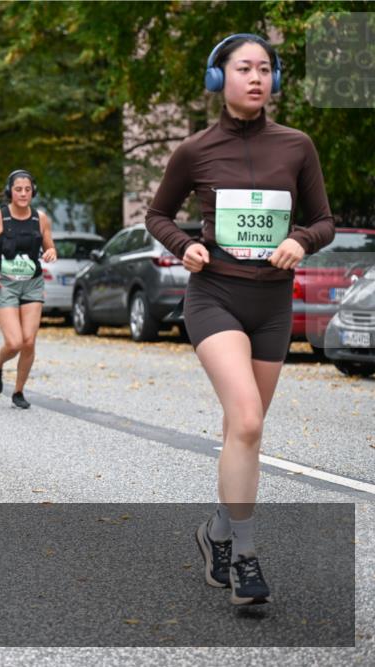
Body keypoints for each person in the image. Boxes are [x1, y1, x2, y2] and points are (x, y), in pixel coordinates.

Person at [146, 34, 334, 605]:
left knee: (241, 432)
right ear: (218, 78)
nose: (256, 77)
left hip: (272, 307)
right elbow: (157, 214)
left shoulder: (297, 146)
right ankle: (245, 559)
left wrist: (302, 240)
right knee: (249, 420)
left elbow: (324, 221)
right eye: (244, 68)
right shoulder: (195, 150)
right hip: (216, 299)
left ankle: (217, 532)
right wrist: (185, 246)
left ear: (275, 81)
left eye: (265, 69)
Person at [0, 169, 56, 409]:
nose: (23, 194)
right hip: (4, 284)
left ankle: (18, 392)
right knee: (15, 342)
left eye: (27, 189)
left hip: (32, 283)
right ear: (10, 191)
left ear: (33, 191)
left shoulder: (40, 219)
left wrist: (51, 252)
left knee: (29, 341)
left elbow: (50, 247)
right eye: (18, 189)